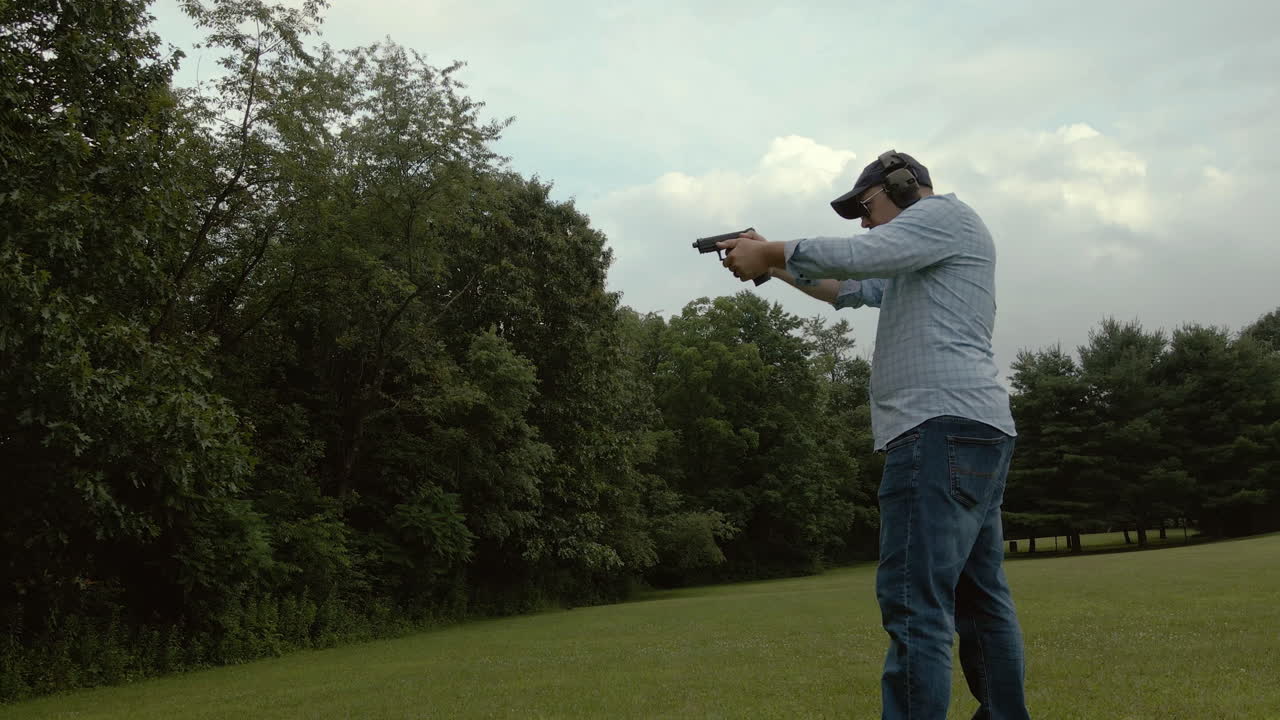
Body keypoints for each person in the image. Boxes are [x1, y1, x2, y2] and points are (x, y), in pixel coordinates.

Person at [717, 151, 1030, 720]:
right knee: (980, 603)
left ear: (905, 186)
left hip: (936, 431)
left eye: (866, 207)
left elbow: (863, 254)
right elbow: (849, 287)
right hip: (970, 430)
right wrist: (773, 263)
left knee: (915, 607)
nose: (863, 222)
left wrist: (773, 248)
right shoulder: (926, 253)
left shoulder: (941, 218)